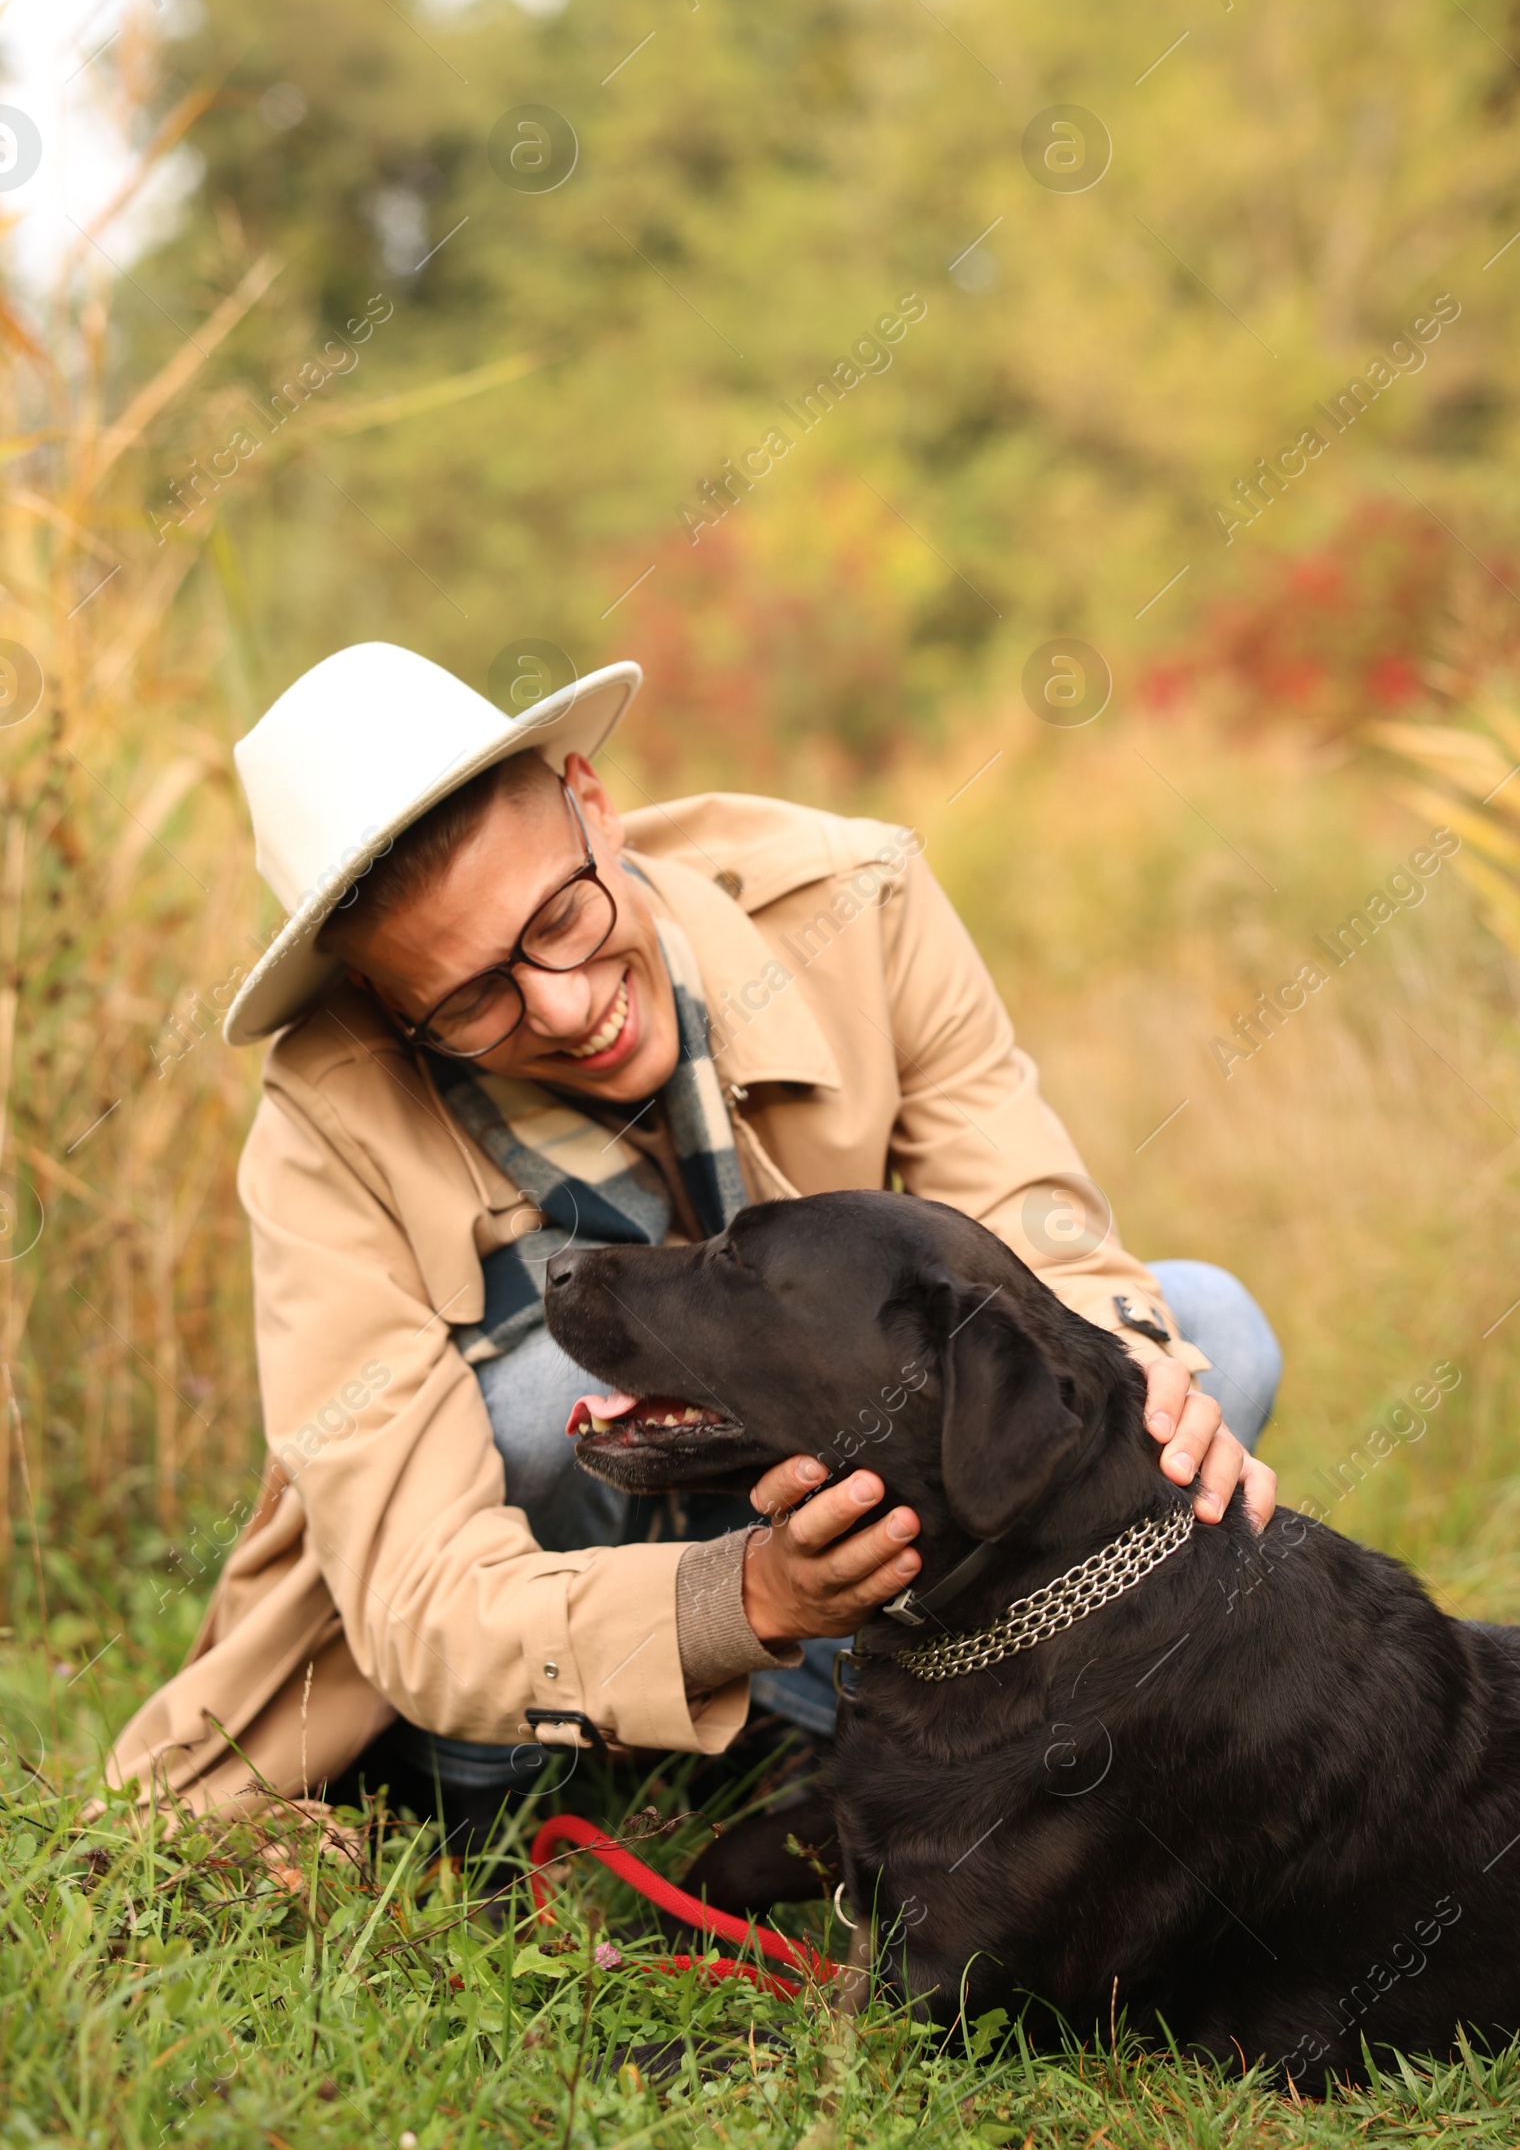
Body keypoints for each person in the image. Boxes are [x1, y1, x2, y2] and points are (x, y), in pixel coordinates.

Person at [110, 643, 1280, 1815]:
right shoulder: (322, 1127)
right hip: (572, 1615)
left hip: (845, 1531)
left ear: (593, 802)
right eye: (471, 997)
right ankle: (507, 1805)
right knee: (531, 1406)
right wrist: (757, 1596)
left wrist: (1146, 1371)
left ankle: (875, 1734)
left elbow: (1037, 1224)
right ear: (384, 1001)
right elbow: (419, 1594)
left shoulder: (854, 902)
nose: (566, 1007)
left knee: (1208, 1329)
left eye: (561, 913)